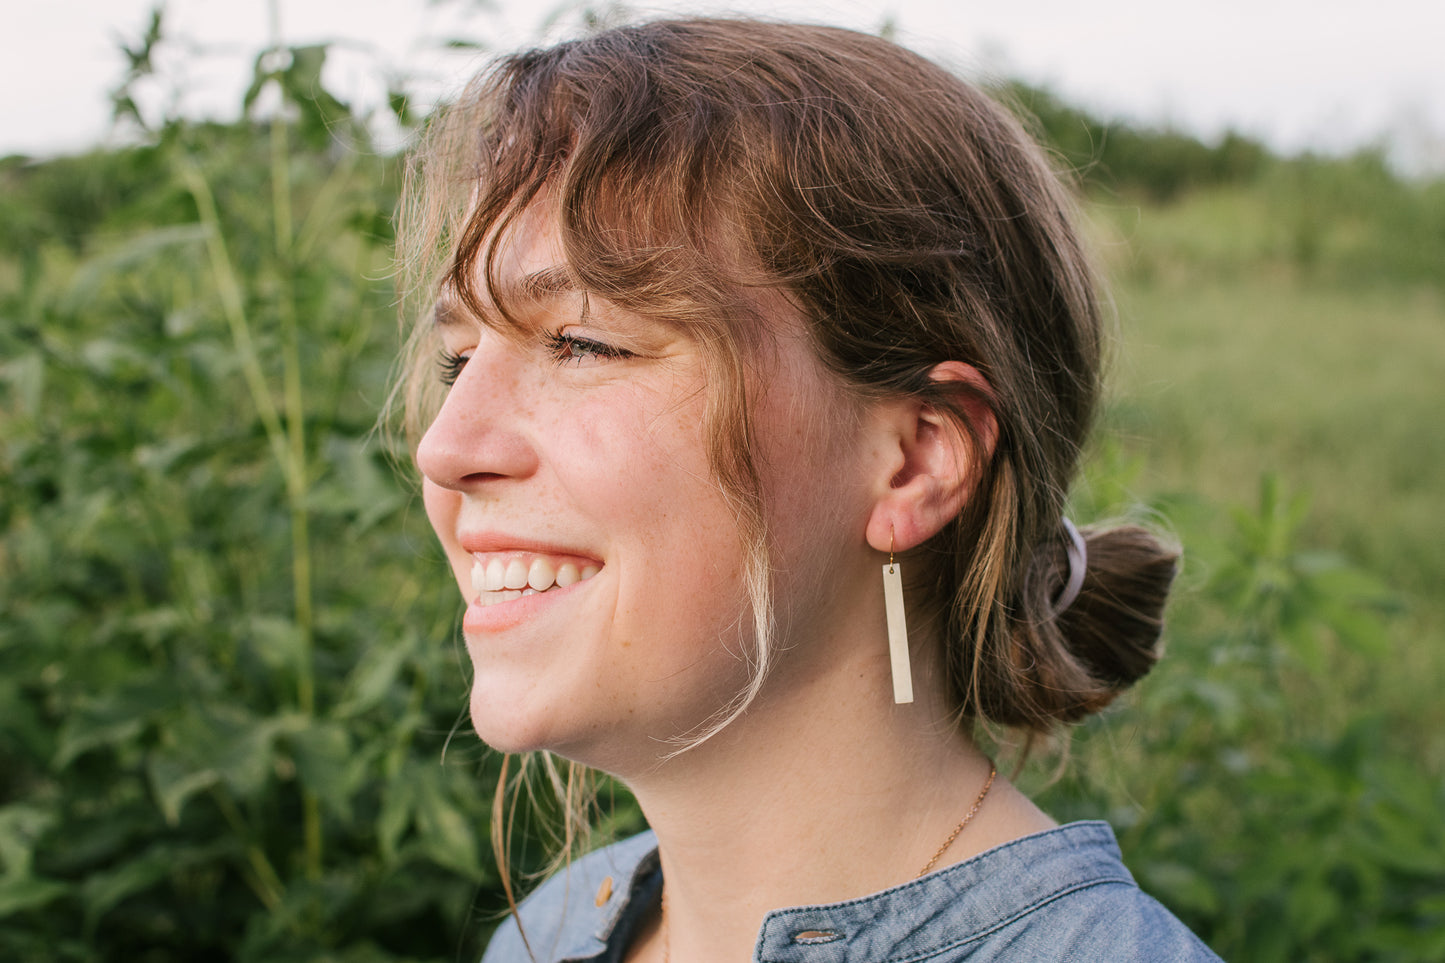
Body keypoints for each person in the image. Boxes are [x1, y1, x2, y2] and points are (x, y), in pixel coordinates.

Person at [395, 17, 1222, 962]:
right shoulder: (549, 931)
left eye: (584, 342)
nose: (446, 446)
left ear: (915, 460)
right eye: (459, 358)